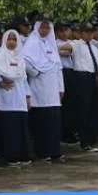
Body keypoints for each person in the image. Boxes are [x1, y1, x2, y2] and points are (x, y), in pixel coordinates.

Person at [24, 17, 65, 163]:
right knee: (42, 122)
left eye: (47, 28)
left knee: (54, 121)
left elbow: (58, 66)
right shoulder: (31, 43)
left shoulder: (50, 44)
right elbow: (26, 62)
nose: (45, 30)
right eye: (42, 27)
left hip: (53, 90)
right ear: (37, 28)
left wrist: (61, 87)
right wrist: (37, 72)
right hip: (39, 88)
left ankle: (54, 150)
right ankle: (43, 152)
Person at [0, 29, 32, 166]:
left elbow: (24, 79)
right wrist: (0, 82)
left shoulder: (20, 57)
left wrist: (27, 97)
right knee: (9, 127)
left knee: (20, 126)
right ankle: (10, 156)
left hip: (19, 96)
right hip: (6, 97)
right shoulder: (0, 55)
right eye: (9, 39)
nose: (12, 42)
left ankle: (22, 155)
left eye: (15, 39)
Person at [71, 23, 98, 153]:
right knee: (83, 110)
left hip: (93, 78)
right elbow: (65, 47)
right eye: (86, 32)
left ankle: (92, 140)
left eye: (91, 32)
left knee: (94, 110)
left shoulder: (95, 49)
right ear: (81, 33)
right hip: (81, 77)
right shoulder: (77, 44)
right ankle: (84, 141)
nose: (89, 35)